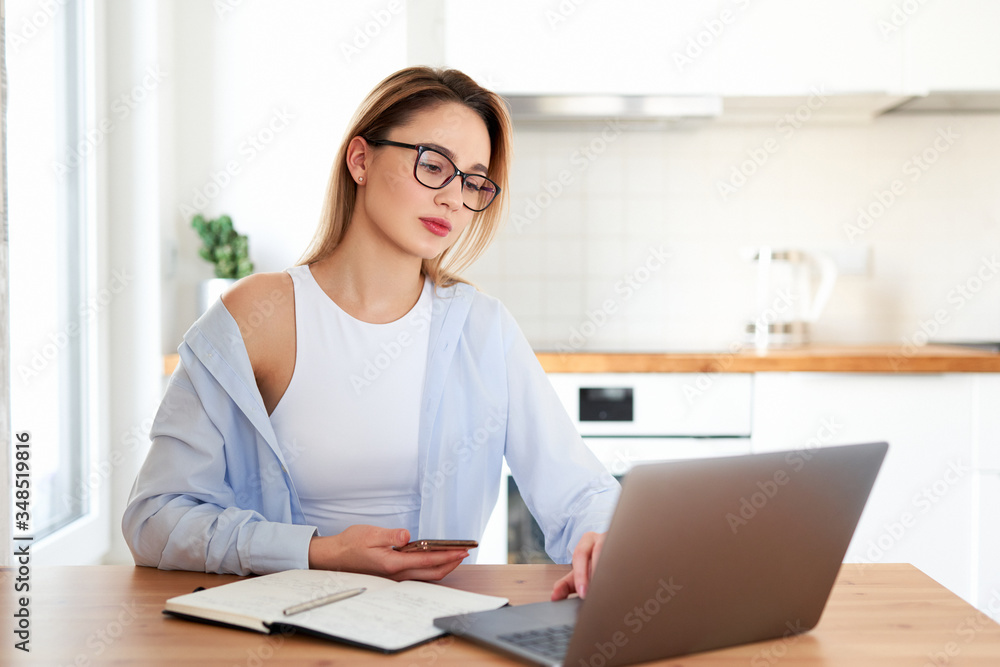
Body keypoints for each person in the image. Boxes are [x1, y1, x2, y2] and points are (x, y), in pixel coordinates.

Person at [122, 67, 620, 601]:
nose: (454, 199)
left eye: (473, 182)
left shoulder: (483, 330)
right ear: (360, 160)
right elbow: (156, 519)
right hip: (278, 628)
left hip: (435, 628)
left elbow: (579, 492)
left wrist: (602, 536)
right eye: (434, 166)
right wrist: (318, 552)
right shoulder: (256, 315)